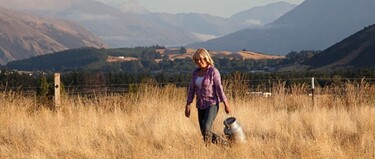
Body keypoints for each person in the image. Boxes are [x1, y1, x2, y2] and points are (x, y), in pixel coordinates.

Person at [185, 48, 231, 144]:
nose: (199, 61)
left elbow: (219, 88)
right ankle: (216, 147)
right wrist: (188, 104)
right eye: (197, 60)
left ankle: (222, 144)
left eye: (201, 59)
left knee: (206, 128)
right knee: (204, 132)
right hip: (200, 105)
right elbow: (191, 89)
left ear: (206, 59)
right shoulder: (195, 73)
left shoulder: (213, 72)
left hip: (212, 104)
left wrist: (225, 104)